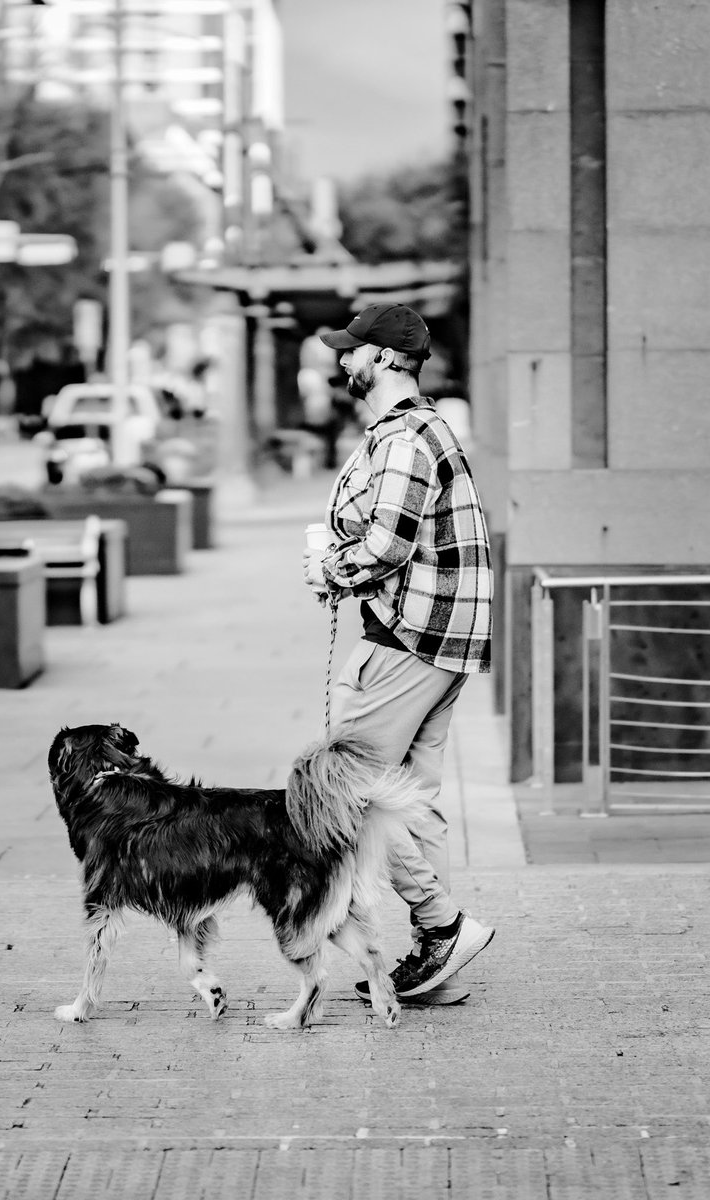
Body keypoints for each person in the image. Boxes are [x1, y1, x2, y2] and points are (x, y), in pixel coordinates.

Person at [302, 302, 495, 1006]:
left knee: (342, 784)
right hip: (438, 640)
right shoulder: (416, 429)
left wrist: (328, 568)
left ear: (385, 359)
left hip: (409, 639)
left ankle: (443, 925)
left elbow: (389, 544)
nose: (344, 360)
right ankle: (438, 965)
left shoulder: (407, 436)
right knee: (413, 803)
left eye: (354, 351)